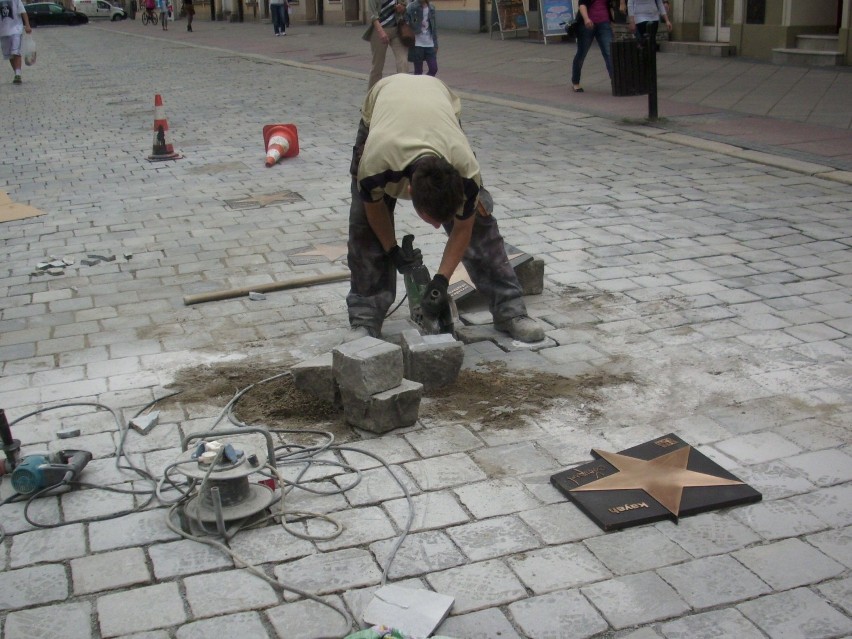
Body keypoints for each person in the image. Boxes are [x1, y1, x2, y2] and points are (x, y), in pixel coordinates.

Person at [347, 74, 545, 343]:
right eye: (432, 221)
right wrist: (391, 250)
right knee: (364, 233)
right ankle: (365, 319)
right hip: (382, 108)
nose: (439, 227)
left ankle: (510, 311)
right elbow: (373, 212)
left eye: (442, 219)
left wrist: (441, 281)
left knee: (481, 228)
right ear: (409, 190)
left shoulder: (465, 172)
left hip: (439, 104)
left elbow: (465, 228)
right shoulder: (375, 166)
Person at [363, 0, 408, 90]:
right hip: (379, 31)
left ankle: (403, 90)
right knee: (377, 65)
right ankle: (372, 93)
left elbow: (405, 5)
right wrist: (381, 32)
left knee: (403, 61)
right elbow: (373, 16)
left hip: (396, 30)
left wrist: (402, 7)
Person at [571, 0, 614, 93]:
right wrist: (586, 19)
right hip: (587, 24)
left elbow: (608, 5)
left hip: (604, 23)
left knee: (609, 53)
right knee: (581, 53)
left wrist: (611, 21)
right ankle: (575, 82)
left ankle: (615, 82)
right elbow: (582, 5)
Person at [0, 0, 31, 85]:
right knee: (10, 54)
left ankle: (18, 74)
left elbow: (23, 12)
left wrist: (27, 25)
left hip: (16, 29)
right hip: (3, 31)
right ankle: (16, 73)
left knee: (15, 51)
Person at [405, 0, 437, 77]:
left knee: (433, 68)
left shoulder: (431, 7)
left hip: (429, 42)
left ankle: (425, 83)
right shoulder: (411, 7)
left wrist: (435, 43)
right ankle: (418, 87)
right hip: (417, 43)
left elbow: (434, 26)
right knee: (418, 71)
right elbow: (406, 20)